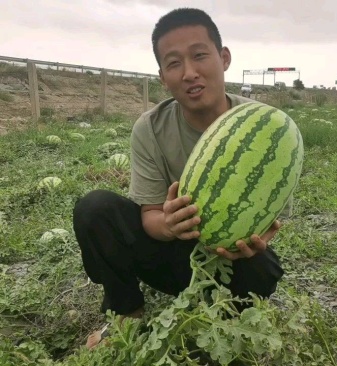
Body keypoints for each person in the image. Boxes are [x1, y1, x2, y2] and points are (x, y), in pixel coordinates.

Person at [73, 7, 288, 350]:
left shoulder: (267, 127)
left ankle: (221, 313)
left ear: (224, 57)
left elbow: (267, 216)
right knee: (95, 208)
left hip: (223, 259)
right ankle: (126, 312)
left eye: (200, 55)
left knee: (260, 267)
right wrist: (169, 225)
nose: (189, 73)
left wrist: (255, 238)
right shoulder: (151, 127)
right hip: (167, 254)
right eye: (174, 63)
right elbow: (149, 214)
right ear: (162, 76)